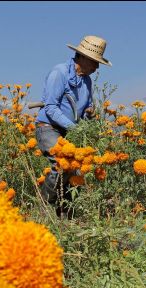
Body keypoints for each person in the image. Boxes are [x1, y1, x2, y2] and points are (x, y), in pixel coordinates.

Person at [34, 35, 112, 217]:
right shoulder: (59, 73)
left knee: (76, 169)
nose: (97, 67)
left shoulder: (87, 81)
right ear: (82, 57)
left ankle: (65, 214)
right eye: (94, 62)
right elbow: (51, 108)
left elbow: (84, 109)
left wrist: (89, 113)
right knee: (62, 164)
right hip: (48, 128)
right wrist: (74, 127)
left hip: (69, 131)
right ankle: (44, 204)